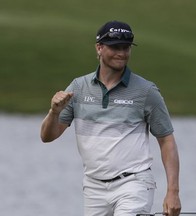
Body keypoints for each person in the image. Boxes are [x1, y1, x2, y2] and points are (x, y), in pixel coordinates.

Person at [40, 20, 181, 216]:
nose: (122, 53)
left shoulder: (146, 91)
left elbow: (167, 140)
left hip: (133, 183)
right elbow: (48, 137)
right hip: (93, 187)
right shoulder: (78, 88)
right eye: (115, 47)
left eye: (126, 47)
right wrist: (54, 112)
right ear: (99, 48)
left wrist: (172, 192)